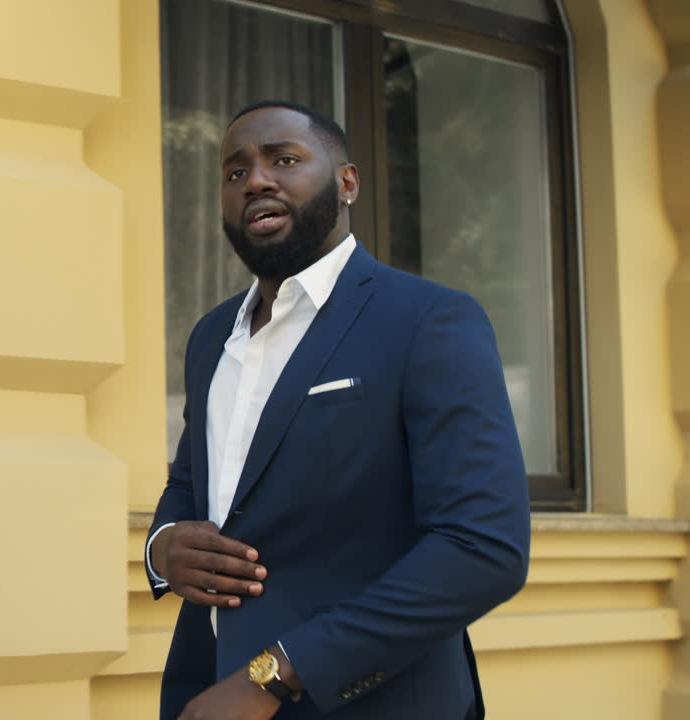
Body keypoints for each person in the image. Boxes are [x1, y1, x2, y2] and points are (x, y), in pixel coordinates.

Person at [146, 100, 531, 720]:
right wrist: (163, 548)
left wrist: (271, 675)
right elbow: (191, 485)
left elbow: (482, 549)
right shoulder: (211, 336)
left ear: (346, 181)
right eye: (235, 172)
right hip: (207, 695)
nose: (258, 180)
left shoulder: (429, 321)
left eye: (284, 160)